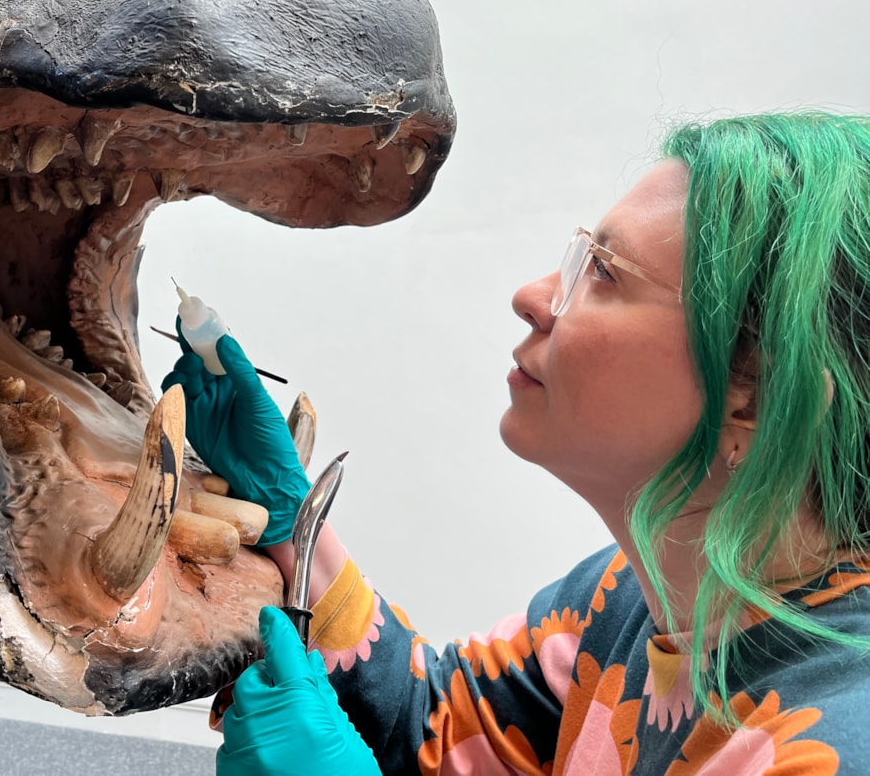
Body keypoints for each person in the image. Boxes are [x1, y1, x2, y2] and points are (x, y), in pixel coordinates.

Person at [163, 113, 870, 775]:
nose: (533, 296)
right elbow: (437, 731)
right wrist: (291, 523)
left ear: (757, 396)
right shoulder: (628, 598)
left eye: (604, 273)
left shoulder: (831, 744)